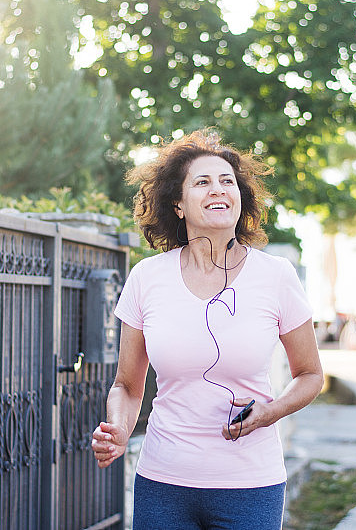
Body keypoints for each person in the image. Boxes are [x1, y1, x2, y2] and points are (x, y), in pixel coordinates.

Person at [91, 129, 323, 530]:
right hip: (163, 484)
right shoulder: (147, 277)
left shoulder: (276, 276)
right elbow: (127, 386)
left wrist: (269, 413)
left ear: (240, 199)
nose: (218, 189)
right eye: (202, 182)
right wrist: (118, 430)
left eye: (227, 181)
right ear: (178, 205)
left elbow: (310, 375)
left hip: (251, 485)